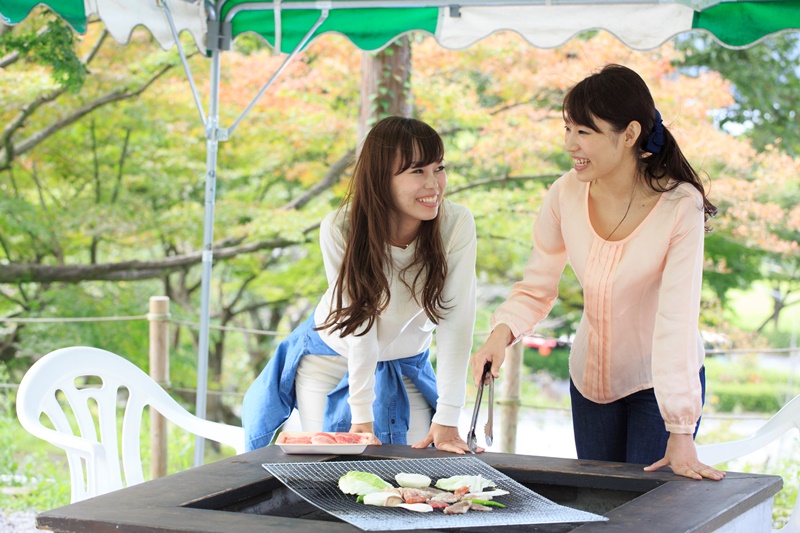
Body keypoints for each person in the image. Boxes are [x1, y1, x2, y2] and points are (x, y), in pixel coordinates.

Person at [470, 64, 725, 481]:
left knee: (646, 514)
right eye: (567, 128)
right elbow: (537, 286)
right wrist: (500, 335)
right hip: (589, 384)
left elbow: (676, 320)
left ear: (629, 134)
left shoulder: (680, 205)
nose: (571, 144)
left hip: (657, 387)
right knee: (600, 503)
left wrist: (680, 427)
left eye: (584, 132)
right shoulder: (564, 192)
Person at [243, 116, 478, 454]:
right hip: (333, 358)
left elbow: (457, 321)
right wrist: (362, 418)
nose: (434, 184)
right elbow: (361, 325)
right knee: (340, 470)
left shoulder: (456, 224)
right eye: (417, 172)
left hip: (408, 360)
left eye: (438, 168)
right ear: (382, 179)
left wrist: (449, 417)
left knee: (418, 468)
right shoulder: (340, 228)